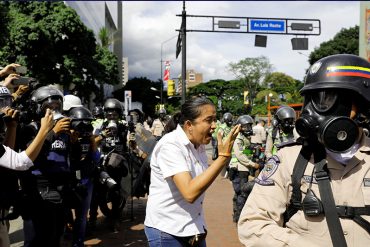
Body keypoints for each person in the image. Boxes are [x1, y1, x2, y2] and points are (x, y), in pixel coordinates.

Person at [238, 54, 370, 247]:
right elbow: (252, 224)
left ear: (360, 105)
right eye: (311, 99)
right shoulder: (289, 158)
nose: (311, 112)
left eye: (326, 100)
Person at [144, 97, 241, 247]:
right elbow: (189, 192)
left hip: (194, 227)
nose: (214, 126)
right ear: (189, 125)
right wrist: (222, 158)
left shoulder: (199, 146)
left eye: (215, 119)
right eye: (209, 120)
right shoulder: (170, 145)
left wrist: (223, 159)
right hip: (168, 231)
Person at [68, 106, 100, 247]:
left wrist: (92, 141)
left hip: (86, 180)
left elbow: (96, 158)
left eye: (86, 124)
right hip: (68, 181)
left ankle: (78, 243)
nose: (83, 128)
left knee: (81, 216)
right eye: (79, 124)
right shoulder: (63, 137)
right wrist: (72, 142)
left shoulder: (88, 138)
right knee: (65, 213)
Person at [229, 115, 259, 224]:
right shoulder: (238, 138)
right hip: (239, 168)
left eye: (250, 126)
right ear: (240, 127)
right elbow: (239, 155)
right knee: (242, 192)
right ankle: (239, 217)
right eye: (246, 126)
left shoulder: (245, 138)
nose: (249, 129)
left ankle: (238, 214)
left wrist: (251, 150)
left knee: (239, 193)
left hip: (243, 168)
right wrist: (252, 164)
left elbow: (245, 153)